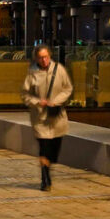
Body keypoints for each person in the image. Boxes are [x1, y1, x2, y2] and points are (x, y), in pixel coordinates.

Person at [20, 44, 73, 191]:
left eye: (46, 57)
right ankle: (45, 179)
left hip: (56, 117)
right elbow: (25, 94)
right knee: (44, 147)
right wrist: (38, 102)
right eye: (41, 57)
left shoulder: (59, 70)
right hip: (40, 118)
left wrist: (56, 101)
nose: (44, 60)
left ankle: (48, 167)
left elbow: (67, 88)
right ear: (36, 58)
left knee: (54, 149)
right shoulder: (32, 73)